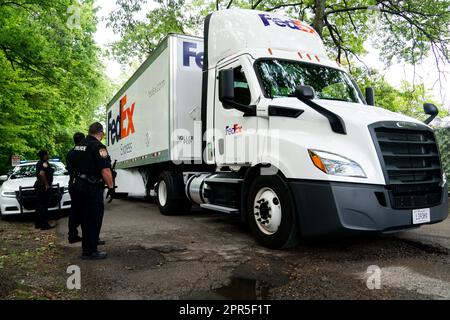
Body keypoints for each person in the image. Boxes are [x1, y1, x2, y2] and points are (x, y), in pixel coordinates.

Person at [67, 122, 115, 260]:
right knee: (93, 218)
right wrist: (111, 188)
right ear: (100, 133)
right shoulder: (98, 147)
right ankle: (89, 251)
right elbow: (105, 170)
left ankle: (86, 245)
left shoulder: (76, 148)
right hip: (91, 188)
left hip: (76, 186)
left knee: (81, 216)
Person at [66, 132, 85, 243]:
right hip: (83, 184)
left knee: (74, 210)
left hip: (73, 183)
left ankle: (72, 235)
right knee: (86, 211)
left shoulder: (70, 153)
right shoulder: (84, 153)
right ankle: (88, 236)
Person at [34, 150, 55, 230]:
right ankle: (44, 225)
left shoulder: (41, 163)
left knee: (39, 206)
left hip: (40, 186)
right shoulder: (43, 163)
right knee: (43, 206)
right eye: (47, 154)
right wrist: (46, 184)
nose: (48, 155)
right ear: (44, 155)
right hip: (42, 187)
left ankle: (38, 223)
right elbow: (42, 173)